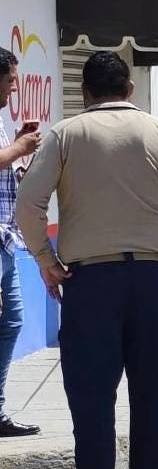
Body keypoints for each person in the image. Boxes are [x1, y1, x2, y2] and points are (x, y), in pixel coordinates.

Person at [16, 51, 158, 469]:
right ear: (129, 89)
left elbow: (28, 203)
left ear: (85, 93)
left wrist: (45, 260)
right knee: (156, 395)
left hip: (89, 283)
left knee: (90, 400)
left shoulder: (64, 135)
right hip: (150, 278)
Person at [0, 48, 41, 438]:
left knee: (12, 321)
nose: (15, 87)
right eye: (11, 79)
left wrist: (18, 154)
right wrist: (17, 149)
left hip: (6, 240)